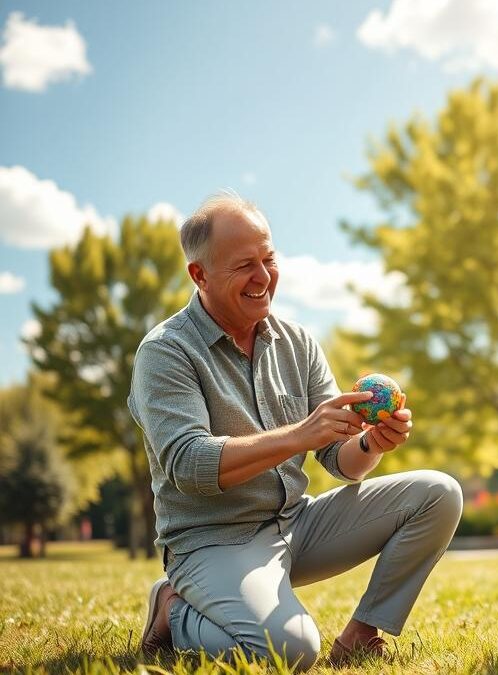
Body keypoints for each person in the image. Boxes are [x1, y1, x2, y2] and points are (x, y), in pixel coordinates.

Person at [128, 191, 462, 669]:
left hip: (296, 525)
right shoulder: (165, 352)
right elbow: (188, 464)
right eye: (244, 265)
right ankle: (174, 608)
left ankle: (362, 634)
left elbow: (338, 461)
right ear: (199, 275)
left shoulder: (297, 342)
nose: (263, 277)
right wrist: (301, 434)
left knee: (439, 492)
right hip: (215, 539)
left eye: (269, 259)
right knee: (291, 651)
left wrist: (369, 444)